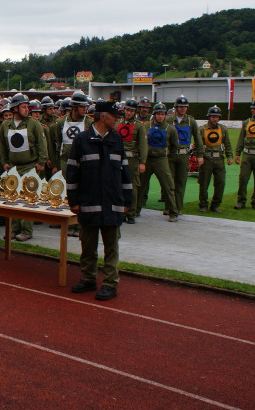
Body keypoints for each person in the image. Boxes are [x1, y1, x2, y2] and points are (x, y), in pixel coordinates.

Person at [67, 101, 133, 301]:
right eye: (114, 116)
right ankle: (88, 279)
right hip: (89, 202)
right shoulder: (82, 140)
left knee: (111, 247)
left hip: (112, 202)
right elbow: (72, 172)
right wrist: (73, 201)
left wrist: (127, 200)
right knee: (88, 245)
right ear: (103, 117)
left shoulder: (116, 139)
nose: (117, 120)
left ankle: (110, 283)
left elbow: (124, 171)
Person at [0, 93, 48, 242]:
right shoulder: (6, 125)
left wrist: (41, 162)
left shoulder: (34, 124)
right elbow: (2, 146)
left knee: (28, 199)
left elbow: (42, 144)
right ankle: (14, 229)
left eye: (27, 107)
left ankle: (26, 230)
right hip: (13, 167)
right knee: (13, 198)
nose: (27, 109)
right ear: (15, 108)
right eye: (24, 107)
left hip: (30, 166)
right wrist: (4, 162)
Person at [140, 102, 179, 222]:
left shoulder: (170, 129)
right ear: (154, 115)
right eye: (158, 114)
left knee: (168, 185)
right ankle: (134, 210)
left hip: (161, 159)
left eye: (163, 114)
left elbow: (174, 146)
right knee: (140, 185)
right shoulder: (146, 126)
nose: (161, 116)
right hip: (147, 159)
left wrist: (169, 158)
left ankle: (173, 212)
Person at [166, 96, 203, 215]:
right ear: (176, 107)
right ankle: (169, 206)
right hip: (171, 155)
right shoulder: (169, 120)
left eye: (185, 107)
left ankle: (178, 207)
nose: (182, 109)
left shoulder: (191, 122)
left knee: (181, 182)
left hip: (184, 155)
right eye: (180, 106)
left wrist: (200, 155)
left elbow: (198, 139)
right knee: (169, 182)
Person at [115, 99, 148, 224]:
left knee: (132, 187)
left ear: (135, 112)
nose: (129, 113)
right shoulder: (117, 123)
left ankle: (131, 213)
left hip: (132, 160)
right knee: (118, 185)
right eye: (127, 110)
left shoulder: (139, 126)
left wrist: (142, 162)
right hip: (118, 158)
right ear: (124, 110)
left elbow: (143, 145)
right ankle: (120, 211)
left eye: (132, 111)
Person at [197, 105, 233, 212]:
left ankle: (215, 205)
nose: (215, 119)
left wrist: (229, 156)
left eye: (217, 117)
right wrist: (199, 156)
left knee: (220, 183)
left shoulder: (223, 129)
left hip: (219, 159)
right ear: (209, 117)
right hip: (206, 159)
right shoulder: (202, 129)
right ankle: (203, 204)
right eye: (213, 117)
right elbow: (198, 145)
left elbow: (227, 144)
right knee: (204, 183)